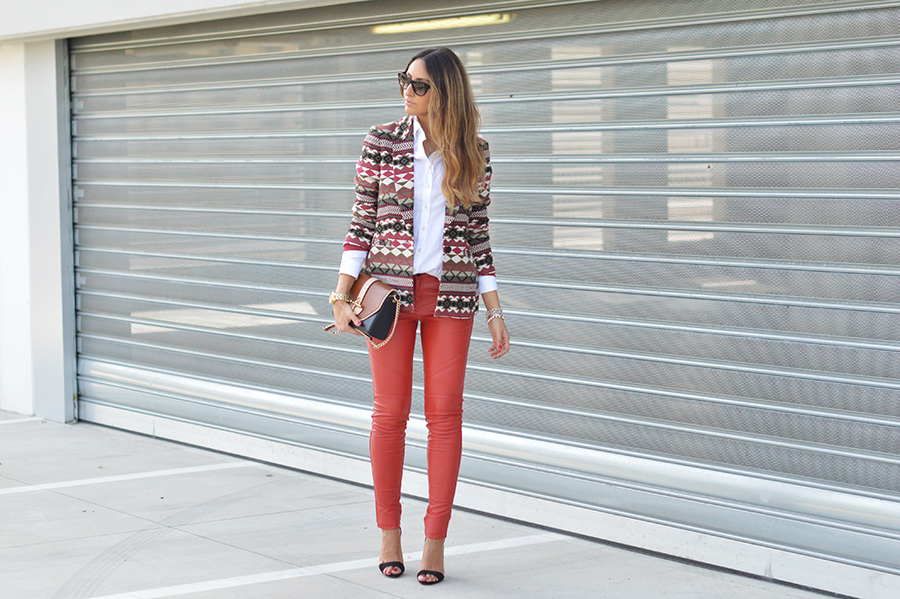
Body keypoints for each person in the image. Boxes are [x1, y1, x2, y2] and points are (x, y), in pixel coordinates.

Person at [329, 47, 510, 585]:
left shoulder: (472, 151)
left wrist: (496, 310)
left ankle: (435, 542)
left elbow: (479, 240)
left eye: (419, 84)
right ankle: (390, 534)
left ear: (446, 92)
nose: (407, 91)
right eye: (403, 81)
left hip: (452, 299)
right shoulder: (381, 141)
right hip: (389, 297)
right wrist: (340, 295)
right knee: (389, 416)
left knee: (444, 419)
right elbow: (361, 223)